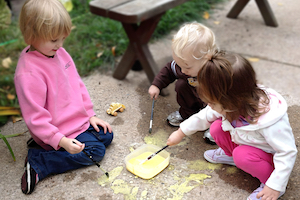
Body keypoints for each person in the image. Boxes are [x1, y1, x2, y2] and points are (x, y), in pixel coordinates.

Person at [166, 50, 297, 200]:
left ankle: (268, 183)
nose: (209, 105)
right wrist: (180, 132)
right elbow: (204, 116)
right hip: (245, 142)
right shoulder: (231, 102)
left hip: (267, 156)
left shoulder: (270, 121)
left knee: (242, 156)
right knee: (216, 128)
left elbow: (287, 152)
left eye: (213, 102)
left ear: (232, 101)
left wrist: (275, 185)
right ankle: (231, 156)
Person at [14, 0, 113, 194]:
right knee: (95, 152)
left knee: (107, 135)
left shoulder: (58, 52)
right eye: (54, 40)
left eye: (63, 38)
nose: (60, 45)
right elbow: (35, 118)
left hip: (75, 122)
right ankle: (40, 162)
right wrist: (61, 140)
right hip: (60, 131)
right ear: (31, 35)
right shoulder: (29, 73)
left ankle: (49, 146)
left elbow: (77, 84)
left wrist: (90, 115)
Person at [148, 22, 217, 127]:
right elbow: (168, 71)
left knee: (217, 108)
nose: (183, 71)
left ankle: (215, 125)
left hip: (212, 102)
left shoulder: (216, 73)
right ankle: (187, 113)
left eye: (187, 67)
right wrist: (156, 85)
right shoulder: (182, 66)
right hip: (192, 94)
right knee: (181, 85)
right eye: (180, 66)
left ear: (206, 59)